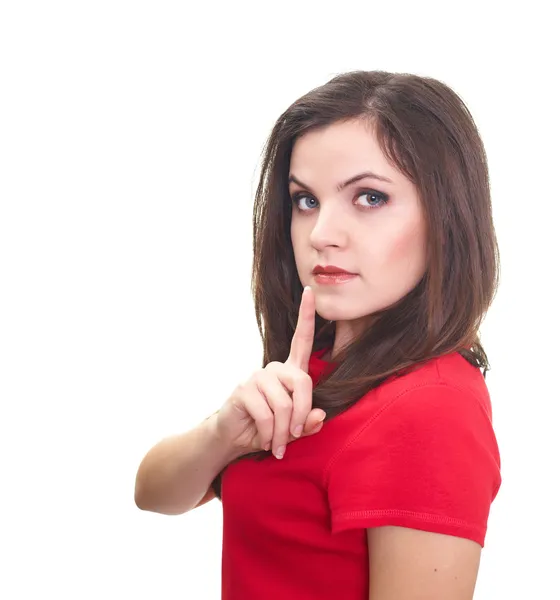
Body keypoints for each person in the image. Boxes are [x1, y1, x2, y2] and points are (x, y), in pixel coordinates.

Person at [134, 70, 502, 599]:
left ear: (446, 216)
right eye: (306, 201)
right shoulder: (320, 368)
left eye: (370, 198)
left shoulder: (429, 407)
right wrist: (223, 435)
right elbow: (154, 494)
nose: (322, 234)